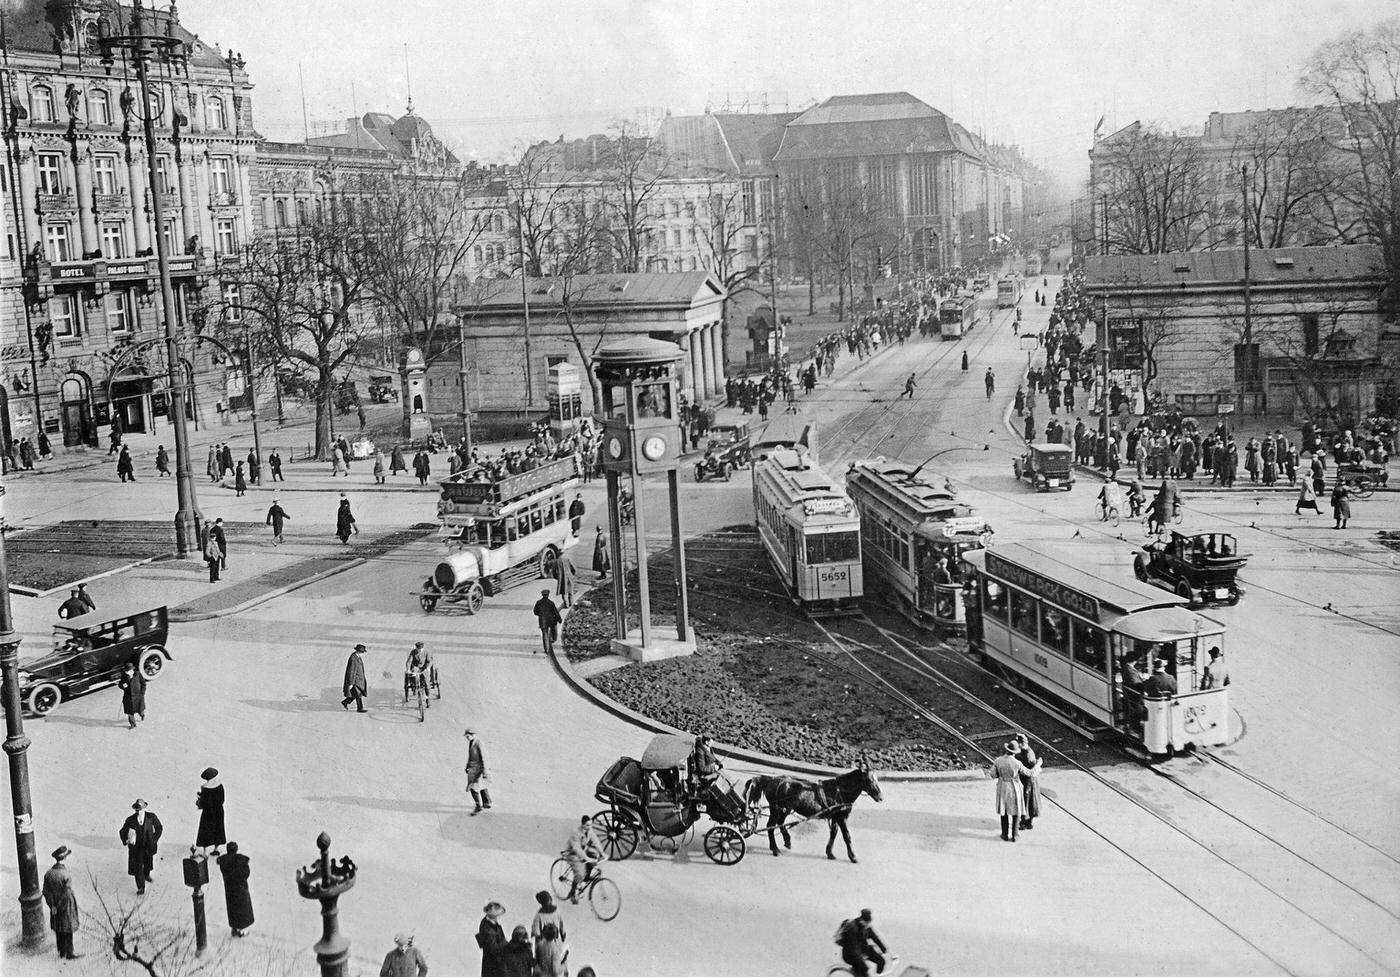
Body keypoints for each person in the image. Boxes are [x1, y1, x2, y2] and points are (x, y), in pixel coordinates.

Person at [989, 740, 1032, 842]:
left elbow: (993, 775)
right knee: (1016, 810)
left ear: (1006, 749)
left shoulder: (998, 760)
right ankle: (1015, 835)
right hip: (1015, 787)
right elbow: (1028, 773)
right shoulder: (1017, 763)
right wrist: (1038, 765)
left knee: (1004, 811)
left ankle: (1004, 834)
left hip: (1002, 786)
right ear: (1015, 752)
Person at [43, 846, 81, 959]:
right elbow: (67, 893)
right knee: (67, 928)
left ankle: (61, 951)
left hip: (54, 904)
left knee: (58, 927)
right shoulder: (66, 874)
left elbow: (46, 891)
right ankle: (69, 952)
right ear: (64, 859)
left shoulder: (49, 873)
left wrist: (52, 905)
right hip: (66, 905)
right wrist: (60, 905)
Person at [120, 798, 163, 894]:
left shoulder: (151, 817)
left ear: (144, 809)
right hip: (136, 848)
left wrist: (154, 839)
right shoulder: (130, 820)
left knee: (148, 862)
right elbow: (122, 831)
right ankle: (141, 887)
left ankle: (146, 874)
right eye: (136, 810)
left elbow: (159, 827)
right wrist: (126, 840)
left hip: (148, 845)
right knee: (138, 867)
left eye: (140, 810)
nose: (138, 812)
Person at [216, 842, 254, 937]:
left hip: (229, 889)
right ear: (236, 849)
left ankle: (234, 928)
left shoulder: (223, 861)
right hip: (241, 888)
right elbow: (246, 874)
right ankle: (242, 930)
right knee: (242, 908)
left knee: (232, 908)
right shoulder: (241, 860)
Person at [836, 909, 888, 977]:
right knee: (863, 969)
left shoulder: (866, 927)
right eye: (866, 923)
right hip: (850, 954)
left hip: (862, 950)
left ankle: (878, 975)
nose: (867, 925)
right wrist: (860, 959)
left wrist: (884, 949)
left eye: (868, 923)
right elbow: (853, 946)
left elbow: (875, 938)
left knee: (881, 961)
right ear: (861, 920)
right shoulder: (852, 928)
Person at [564, 816, 604, 904]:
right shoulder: (576, 833)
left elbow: (596, 842)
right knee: (579, 874)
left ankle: (585, 880)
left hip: (583, 851)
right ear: (582, 825)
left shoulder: (589, 831)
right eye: (587, 825)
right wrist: (587, 858)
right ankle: (572, 893)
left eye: (591, 825)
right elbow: (577, 849)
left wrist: (602, 853)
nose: (589, 827)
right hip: (573, 853)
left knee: (594, 856)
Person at [1014, 733, 1042, 831]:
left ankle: (1023, 822)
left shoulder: (1026, 755)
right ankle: (1029, 822)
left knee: (1025, 801)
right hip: (1031, 781)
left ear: (1021, 743)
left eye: (1018, 743)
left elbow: (1027, 770)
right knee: (1031, 801)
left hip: (1026, 781)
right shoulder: (1028, 750)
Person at [195, 766, 227, 855]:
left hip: (208, 812)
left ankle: (205, 851)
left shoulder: (205, 787)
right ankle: (216, 849)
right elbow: (222, 799)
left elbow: (204, 802)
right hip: (218, 811)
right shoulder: (220, 785)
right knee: (218, 828)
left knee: (205, 829)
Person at [531, 891, 566, 966]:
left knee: (543, 962)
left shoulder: (539, 915)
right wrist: (563, 934)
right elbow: (561, 924)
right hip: (556, 941)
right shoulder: (556, 911)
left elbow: (536, 931)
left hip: (544, 944)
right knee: (557, 959)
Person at [477, 902, 508, 977]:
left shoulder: (494, 923)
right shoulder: (486, 927)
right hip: (493, 964)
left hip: (497, 962)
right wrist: (505, 943)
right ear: (490, 911)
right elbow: (493, 948)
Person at [464, 728, 491, 813]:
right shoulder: (471, 742)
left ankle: (478, 806)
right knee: (481, 784)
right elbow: (471, 756)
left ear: (473, 735)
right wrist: (467, 765)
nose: (467, 738)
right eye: (466, 736)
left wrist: (485, 770)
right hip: (473, 768)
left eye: (468, 736)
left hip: (478, 769)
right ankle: (487, 802)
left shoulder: (479, 743)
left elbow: (485, 757)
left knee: (472, 787)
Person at [533, 589, 562, 655]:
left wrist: (540, 614)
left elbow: (535, 612)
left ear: (542, 595)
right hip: (551, 620)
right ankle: (554, 639)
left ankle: (546, 649)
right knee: (554, 629)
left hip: (543, 621)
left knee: (545, 634)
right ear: (548, 595)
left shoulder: (538, 602)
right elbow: (555, 612)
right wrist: (559, 619)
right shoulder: (551, 603)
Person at [341, 644, 368, 712]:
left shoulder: (357, 657)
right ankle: (360, 708)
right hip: (355, 680)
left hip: (358, 680)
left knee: (355, 695)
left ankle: (345, 702)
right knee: (358, 695)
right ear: (359, 651)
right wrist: (351, 683)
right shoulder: (353, 658)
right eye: (362, 652)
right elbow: (351, 671)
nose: (363, 653)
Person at [119, 662, 146, 728]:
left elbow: (143, 684)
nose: (127, 672)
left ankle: (142, 715)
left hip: (138, 697)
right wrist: (123, 686)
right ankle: (132, 724)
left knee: (140, 710)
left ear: (132, 670)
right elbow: (120, 685)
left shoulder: (138, 674)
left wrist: (142, 693)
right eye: (126, 671)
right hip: (128, 697)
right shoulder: (124, 676)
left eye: (128, 671)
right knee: (129, 712)